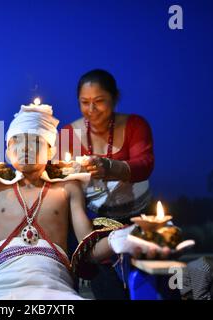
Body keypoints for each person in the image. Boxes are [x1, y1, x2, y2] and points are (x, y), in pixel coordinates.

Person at [0, 102, 166, 299]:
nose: (26, 148)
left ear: (50, 151)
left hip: (56, 285)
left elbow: (89, 248)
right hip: (3, 286)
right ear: (8, 151)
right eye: (17, 142)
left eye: (36, 142)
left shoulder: (68, 188)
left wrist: (125, 238)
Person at [59, 69, 155, 299]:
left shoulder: (135, 124)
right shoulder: (68, 134)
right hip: (95, 223)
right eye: (84, 102)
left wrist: (110, 167)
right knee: (108, 288)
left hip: (137, 215)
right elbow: (61, 179)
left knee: (147, 284)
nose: (91, 110)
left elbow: (145, 164)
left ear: (115, 97)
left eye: (99, 101)